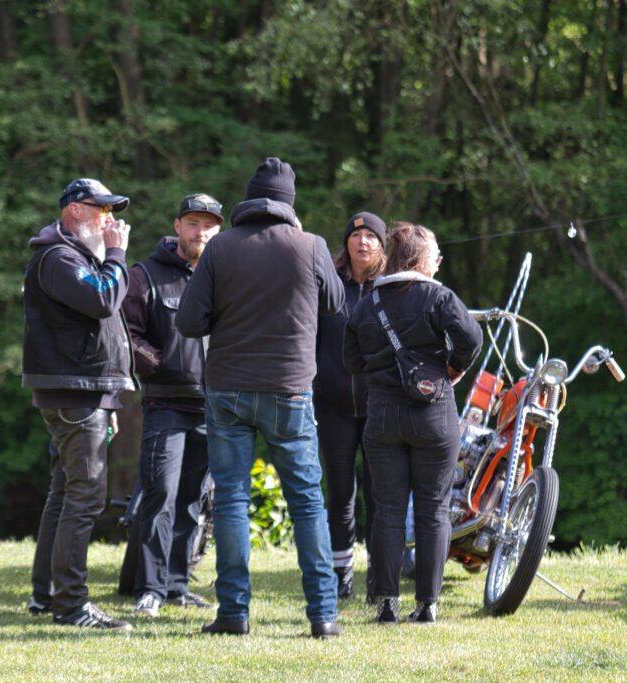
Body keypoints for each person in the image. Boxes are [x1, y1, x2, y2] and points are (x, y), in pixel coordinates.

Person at [177, 157, 345, 639]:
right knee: (308, 502)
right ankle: (323, 615)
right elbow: (335, 303)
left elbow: (189, 322)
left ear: (249, 199)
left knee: (230, 499)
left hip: (227, 387)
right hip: (290, 389)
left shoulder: (220, 247)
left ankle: (233, 613)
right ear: (289, 204)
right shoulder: (309, 245)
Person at [343, 222, 482, 625]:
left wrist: (383, 371)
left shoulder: (368, 304)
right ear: (422, 261)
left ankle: (386, 602)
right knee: (433, 509)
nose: (439, 263)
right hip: (434, 413)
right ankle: (427, 605)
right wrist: (451, 369)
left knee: (385, 509)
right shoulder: (439, 297)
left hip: (383, 415)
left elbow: (352, 361)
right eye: (436, 256)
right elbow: (471, 340)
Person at [23, 177, 136, 632]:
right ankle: (71, 605)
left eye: (113, 211)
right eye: (101, 209)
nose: (111, 219)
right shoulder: (59, 258)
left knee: (63, 494)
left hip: (84, 391)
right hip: (74, 393)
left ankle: (45, 594)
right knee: (85, 498)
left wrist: (109, 400)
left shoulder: (75, 256)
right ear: (74, 211)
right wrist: (118, 255)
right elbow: (103, 300)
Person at [122, 193, 224, 617]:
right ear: (177, 225)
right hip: (166, 402)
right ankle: (150, 587)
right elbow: (126, 335)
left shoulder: (226, 277)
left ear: (218, 231)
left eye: (208, 225)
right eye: (193, 223)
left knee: (191, 500)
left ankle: (178, 585)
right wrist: (163, 364)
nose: (200, 232)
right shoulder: (144, 275)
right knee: (159, 494)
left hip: (214, 406)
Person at [313, 211, 386, 601]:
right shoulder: (328, 285)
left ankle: (380, 573)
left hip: (380, 408)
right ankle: (342, 573)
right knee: (340, 493)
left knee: (379, 495)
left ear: (382, 244)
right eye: (356, 237)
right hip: (332, 406)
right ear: (346, 244)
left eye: (371, 237)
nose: (363, 243)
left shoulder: (391, 288)